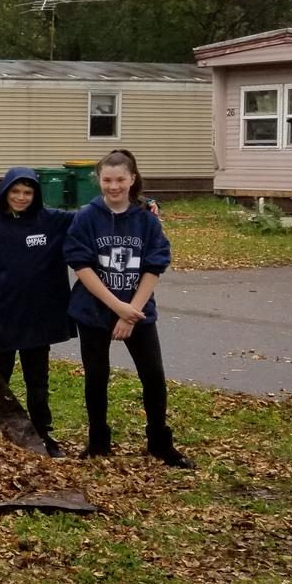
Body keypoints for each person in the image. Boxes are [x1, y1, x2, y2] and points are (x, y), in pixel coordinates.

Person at [64, 149, 193, 467]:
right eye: (107, 180)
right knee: (96, 377)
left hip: (138, 311)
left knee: (153, 376)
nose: (114, 186)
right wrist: (117, 307)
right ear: (98, 180)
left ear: (132, 179)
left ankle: (159, 443)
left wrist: (131, 312)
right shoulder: (86, 217)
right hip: (94, 310)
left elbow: (154, 266)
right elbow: (81, 266)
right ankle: (98, 442)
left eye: (120, 179)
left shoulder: (146, 219)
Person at [0, 167, 75, 457]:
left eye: (28, 192)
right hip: (4, 315)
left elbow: (95, 214)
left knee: (38, 381)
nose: (21, 197)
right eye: (16, 191)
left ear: (36, 195)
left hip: (39, 317)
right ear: (5, 192)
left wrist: (141, 202)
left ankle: (42, 433)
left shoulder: (51, 221)